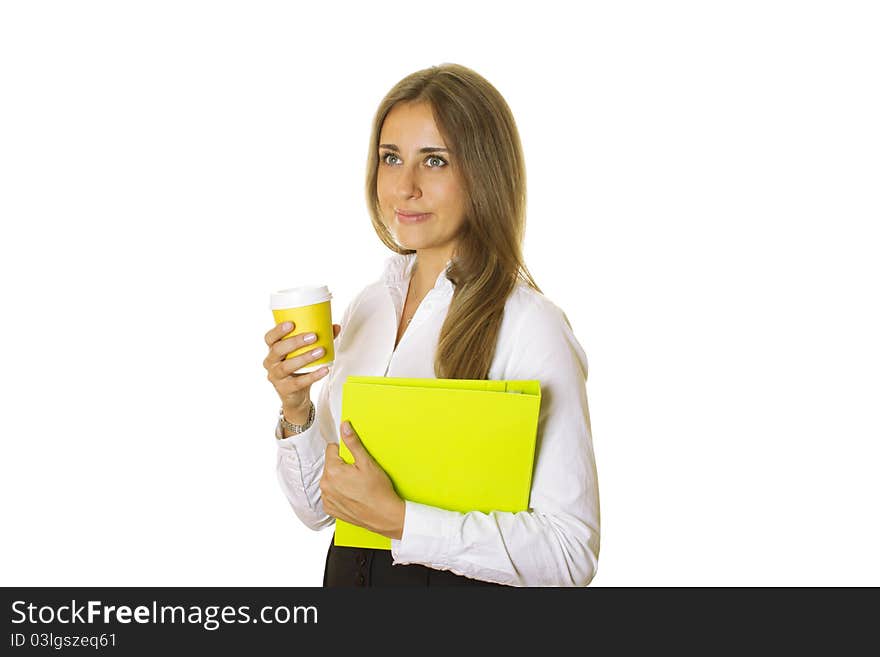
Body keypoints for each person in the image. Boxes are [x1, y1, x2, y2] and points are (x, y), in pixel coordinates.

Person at [262, 63, 599, 587]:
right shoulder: (369, 310)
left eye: (435, 161)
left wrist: (400, 521)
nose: (405, 187)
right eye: (390, 158)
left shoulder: (530, 326)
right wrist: (297, 408)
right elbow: (320, 511)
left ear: (484, 173)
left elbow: (569, 553)